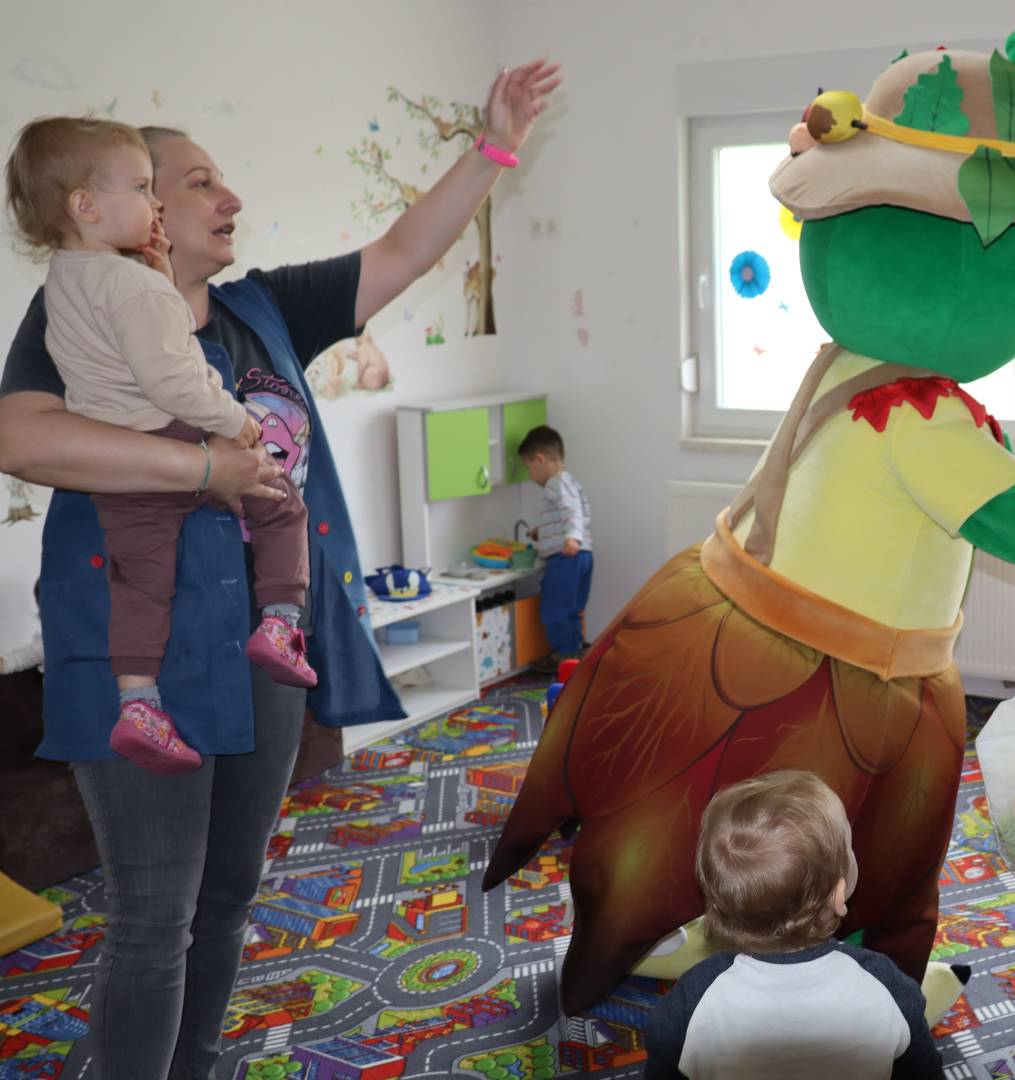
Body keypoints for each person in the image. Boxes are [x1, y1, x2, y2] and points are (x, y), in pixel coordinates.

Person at [0, 57, 561, 1080]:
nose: (231, 197)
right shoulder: (79, 310)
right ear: (132, 207)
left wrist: (497, 144)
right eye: (197, 182)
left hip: (262, 648)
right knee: (153, 916)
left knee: (227, 899)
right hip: (138, 654)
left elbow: (405, 250)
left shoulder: (263, 309)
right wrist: (202, 468)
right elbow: (24, 436)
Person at [6, 117, 315, 774]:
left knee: (141, 586)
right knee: (280, 503)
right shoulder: (136, 287)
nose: (154, 206)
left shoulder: (64, 282)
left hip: (122, 464)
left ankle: (139, 704)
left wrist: (159, 272)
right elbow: (172, 378)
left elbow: (126, 342)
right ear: (86, 205)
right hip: (170, 430)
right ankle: (281, 624)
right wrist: (233, 420)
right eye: (144, 188)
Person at [642, 770, 944, 1079]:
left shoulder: (693, 1000)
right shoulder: (884, 983)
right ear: (838, 896)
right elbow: (925, 1072)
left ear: (716, 905)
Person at [519, 424, 592, 671]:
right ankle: (575, 653)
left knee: (555, 610)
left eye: (528, 467)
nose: (530, 475)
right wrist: (542, 532)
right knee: (571, 609)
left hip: (566, 557)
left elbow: (572, 512)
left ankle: (565, 655)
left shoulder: (555, 483)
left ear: (540, 459)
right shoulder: (569, 482)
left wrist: (572, 538)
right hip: (582, 556)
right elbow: (569, 515)